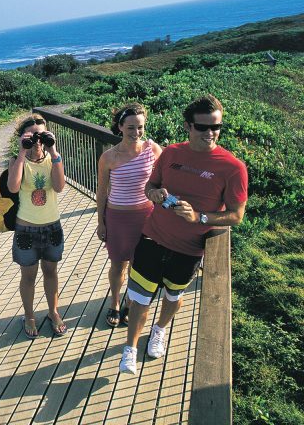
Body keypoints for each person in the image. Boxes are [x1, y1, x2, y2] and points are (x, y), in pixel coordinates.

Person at [119, 94, 248, 374]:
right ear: (188, 126)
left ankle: (159, 330)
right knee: (138, 298)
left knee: (172, 297)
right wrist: (153, 193)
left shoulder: (233, 168)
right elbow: (150, 186)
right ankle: (129, 347)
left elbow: (236, 215)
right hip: (152, 238)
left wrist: (199, 217)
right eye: (202, 127)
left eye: (216, 127)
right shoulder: (172, 154)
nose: (210, 133)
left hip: (189, 250)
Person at [96, 103, 162, 327]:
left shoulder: (153, 150)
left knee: (138, 265)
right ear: (120, 127)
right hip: (117, 218)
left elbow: (164, 180)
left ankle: (131, 303)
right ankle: (115, 302)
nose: (136, 133)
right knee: (118, 264)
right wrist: (101, 223)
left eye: (140, 127)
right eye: (131, 127)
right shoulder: (108, 157)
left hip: (146, 216)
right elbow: (102, 191)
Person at [8, 114, 67, 339]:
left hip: (52, 226)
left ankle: (53, 312)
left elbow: (59, 187)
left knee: (51, 272)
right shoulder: (16, 160)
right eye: (32, 136)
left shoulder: (53, 159)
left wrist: (54, 154)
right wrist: (23, 152)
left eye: (41, 135)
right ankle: (30, 315)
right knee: (29, 276)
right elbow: (13, 187)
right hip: (26, 229)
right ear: (22, 137)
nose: (38, 140)